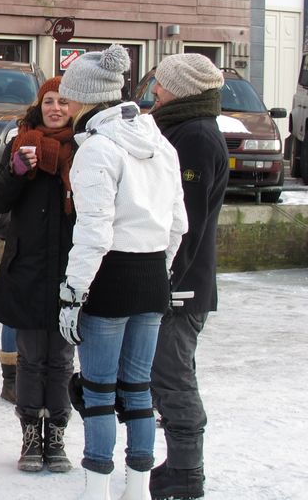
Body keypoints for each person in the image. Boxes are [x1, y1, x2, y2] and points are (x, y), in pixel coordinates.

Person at [57, 44, 188, 499]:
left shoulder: (96, 149)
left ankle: (96, 491)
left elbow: (93, 232)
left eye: (70, 99)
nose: (65, 107)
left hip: (109, 277)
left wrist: (73, 293)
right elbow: (178, 224)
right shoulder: (160, 143)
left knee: (97, 392)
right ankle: (135, 490)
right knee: (137, 391)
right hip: (152, 274)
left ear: (88, 99)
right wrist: (161, 270)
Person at [0, 76, 77, 473]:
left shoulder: (85, 148)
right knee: (30, 359)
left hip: (69, 269)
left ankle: (55, 434)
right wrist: (17, 172)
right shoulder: (20, 143)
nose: (55, 108)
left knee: (60, 360)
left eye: (63, 102)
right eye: (49, 101)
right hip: (26, 269)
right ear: (39, 106)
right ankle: (29, 436)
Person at [147, 54, 228, 500]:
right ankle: (178, 462)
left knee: (173, 376)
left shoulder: (194, 137)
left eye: (160, 83)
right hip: (179, 282)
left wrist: (167, 282)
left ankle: (186, 469)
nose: (154, 90)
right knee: (167, 375)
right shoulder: (178, 129)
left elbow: (187, 222)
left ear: (181, 89)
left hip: (182, 285)